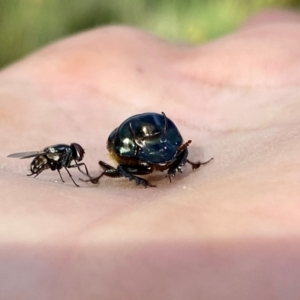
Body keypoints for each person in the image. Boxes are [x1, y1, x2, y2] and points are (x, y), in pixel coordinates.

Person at [1, 9, 300, 299]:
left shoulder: (163, 142)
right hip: (133, 146)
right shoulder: (119, 151)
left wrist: (179, 160)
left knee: (163, 157)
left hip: (152, 138)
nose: (164, 159)